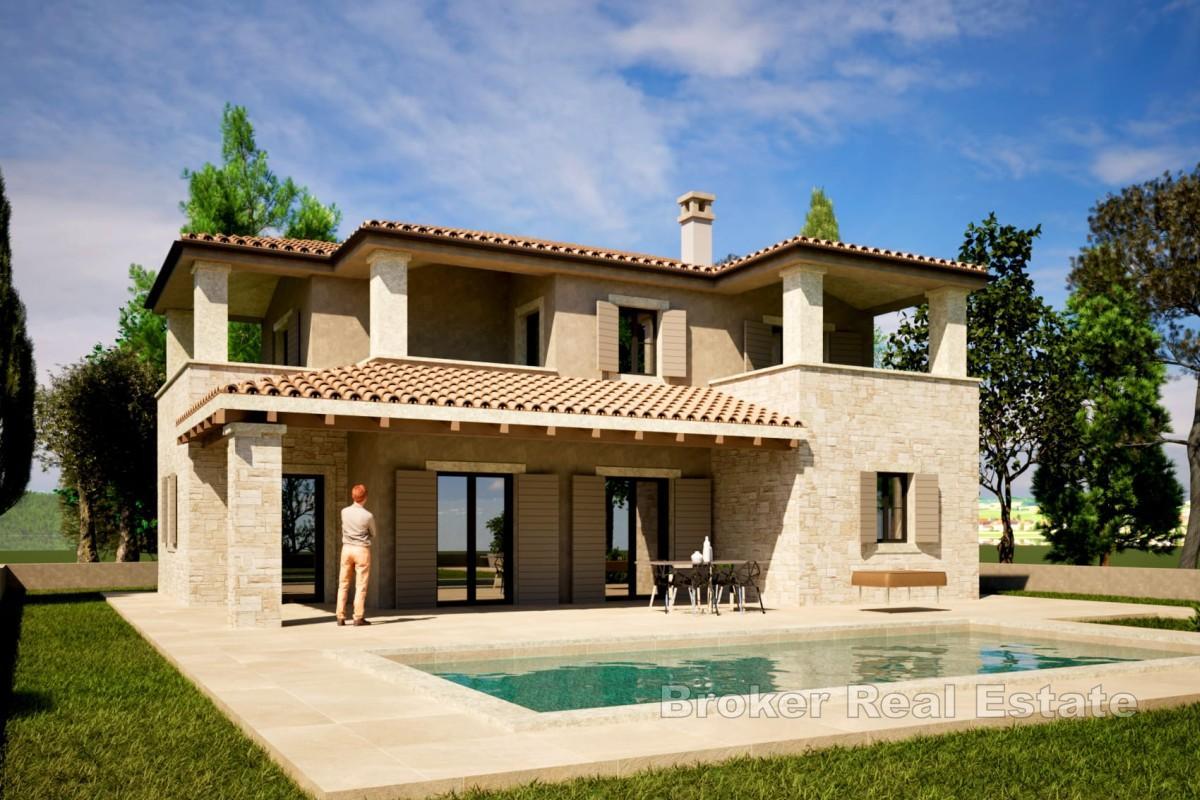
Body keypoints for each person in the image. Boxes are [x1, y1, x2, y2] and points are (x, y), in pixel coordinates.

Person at [337, 484, 376, 626]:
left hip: (346, 549)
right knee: (361, 585)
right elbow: (374, 533)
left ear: (353, 496)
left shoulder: (344, 512)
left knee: (343, 583)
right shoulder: (368, 515)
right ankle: (358, 617)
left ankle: (340, 617)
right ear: (365, 497)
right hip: (361, 550)